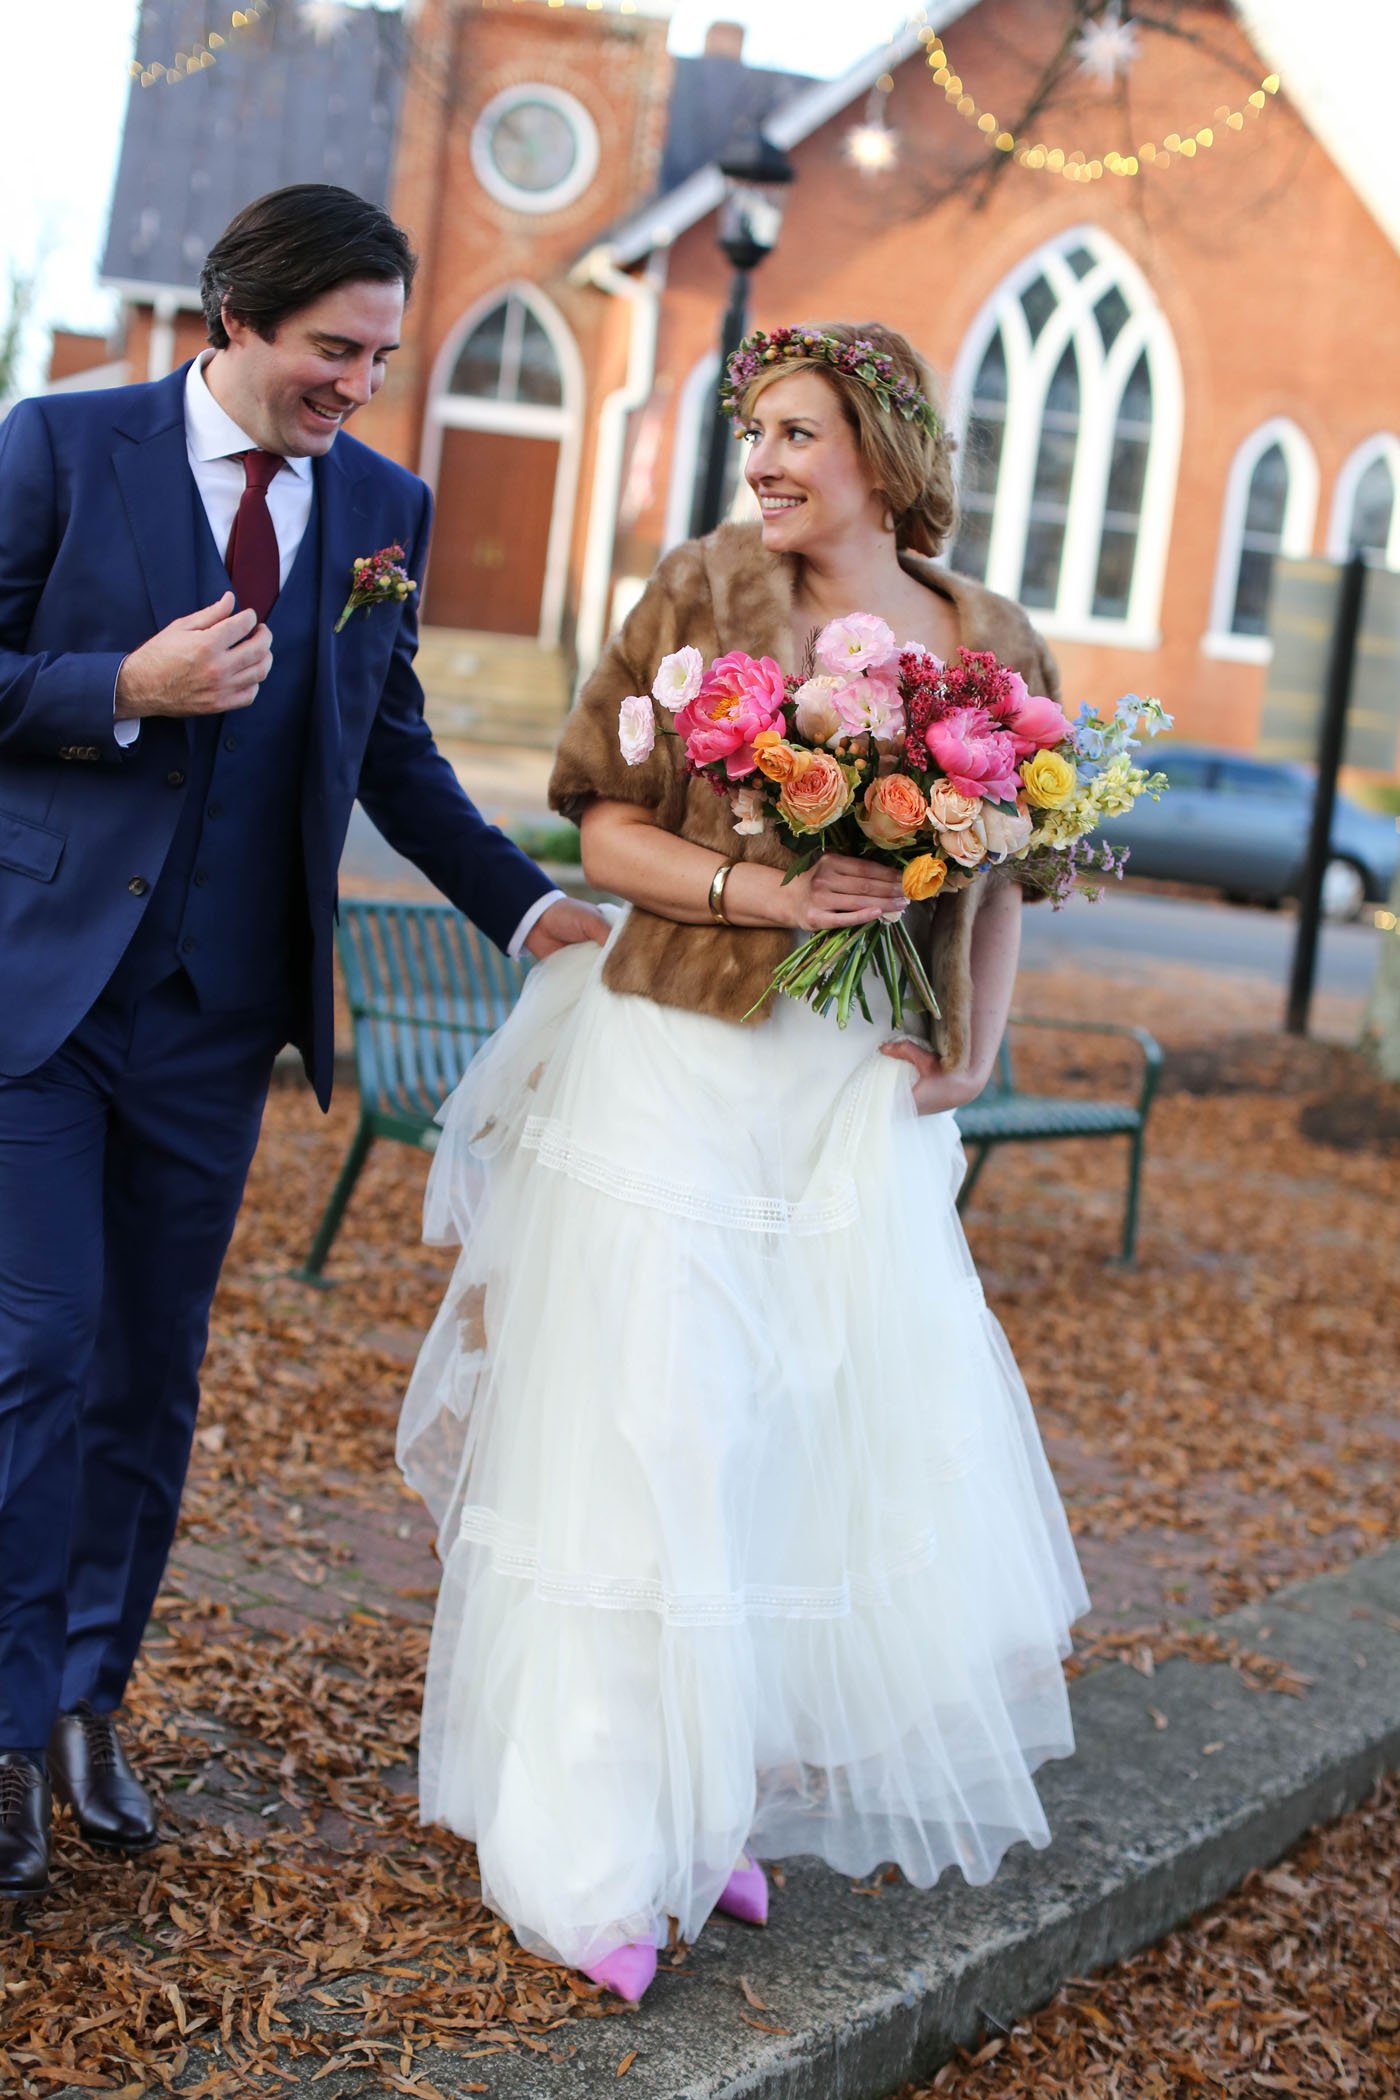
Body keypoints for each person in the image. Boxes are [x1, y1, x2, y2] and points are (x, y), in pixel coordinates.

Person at [397, 321, 1088, 2002]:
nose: (765, 462)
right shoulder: (701, 587)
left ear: (881, 446)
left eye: (795, 432)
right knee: (655, 1438)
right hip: (681, 1070)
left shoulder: (985, 634)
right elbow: (602, 824)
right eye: (753, 433)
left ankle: (710, 1811)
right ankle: (588, 1859)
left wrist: (980, 1046)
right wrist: (765, 895)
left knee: (787, 1441)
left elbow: (1003, 870)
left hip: (850, 1099)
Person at [0, 183, 606, 1899]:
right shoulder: (60, 445)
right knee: (38, 1354)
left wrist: (520, 905)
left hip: (218, 1024)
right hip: (38, 999)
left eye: (382, 357)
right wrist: (122, 682)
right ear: (235, 320)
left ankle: (81, 1706)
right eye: (335, 350)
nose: (358, 384)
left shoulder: (381, 507)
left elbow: (391, 749)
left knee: (149, 1380)